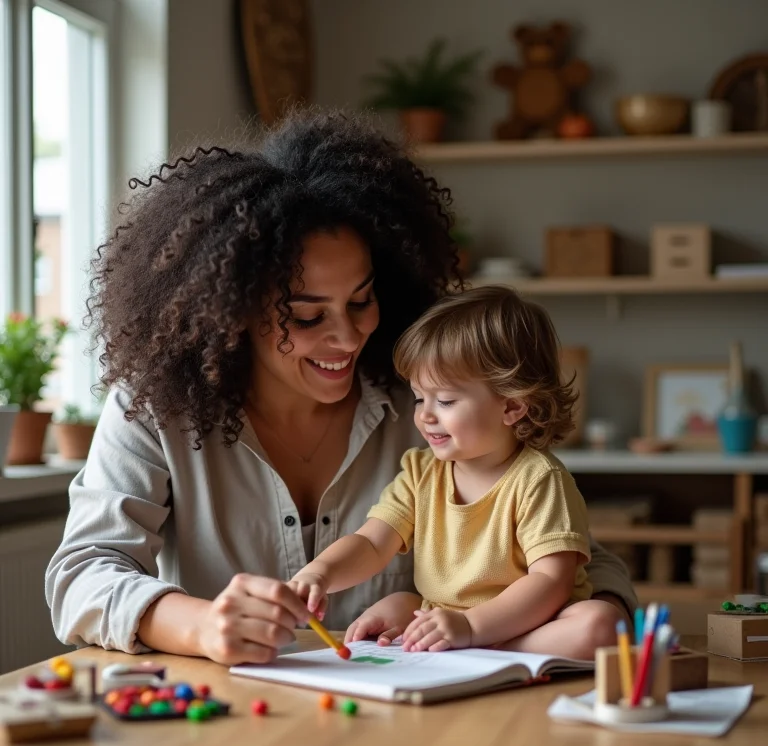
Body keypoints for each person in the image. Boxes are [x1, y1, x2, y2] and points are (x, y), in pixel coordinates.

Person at [45, 109, 636, 666]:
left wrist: (574, 626)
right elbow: (82, 575)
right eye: (306, 316)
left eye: (361, 300)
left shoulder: (431, 398)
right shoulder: (157, 410)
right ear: (231, 310)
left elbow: (575, 556)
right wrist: (198, 625)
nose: (349, 336)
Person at [289, 286, 614, 659]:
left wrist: (473, 627)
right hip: (446, 619)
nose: (426, 415)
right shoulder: (421, 470)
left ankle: (490, 648)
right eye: (418, 398)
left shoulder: (540, 479)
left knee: (598, 624)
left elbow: (550, 582)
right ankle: (457, 643)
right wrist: (320, 573)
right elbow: (372, 543)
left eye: (444, 400)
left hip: (530, 623)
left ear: (511, 407)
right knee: (395, 603)